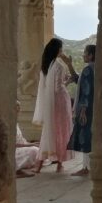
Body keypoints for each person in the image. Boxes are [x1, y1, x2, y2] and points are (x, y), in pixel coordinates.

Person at [33, 37, 74, 172]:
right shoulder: (59, 66)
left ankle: (39, 165)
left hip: (49, 103)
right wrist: (68, 82)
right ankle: (59, 164)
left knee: (48, 130)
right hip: (60, 102)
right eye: (61, 48)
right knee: (62, 130)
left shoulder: (46, 66)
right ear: (58, 50)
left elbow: (47, 86)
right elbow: (58, 88)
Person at [68, 44, 95, 176]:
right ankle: (88, 166)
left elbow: (86, 90)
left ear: (91, 55)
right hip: (93, 107)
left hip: (86, 108)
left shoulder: (87, 70)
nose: (83, 55)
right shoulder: (96, 69)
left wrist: (83, 109)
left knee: (85, 136)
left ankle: (86, 168)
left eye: (85, 53)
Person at [15, 101, 39, 178]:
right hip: (15, 150)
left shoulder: (16, 122)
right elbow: (13, 144)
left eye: (19, 108)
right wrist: (31, 144)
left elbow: (21, 139)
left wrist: (31, 143)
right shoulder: (9, 122)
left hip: (22, 147)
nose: (19, 110)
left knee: (39, 148)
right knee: (34, 150)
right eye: (17, 108)